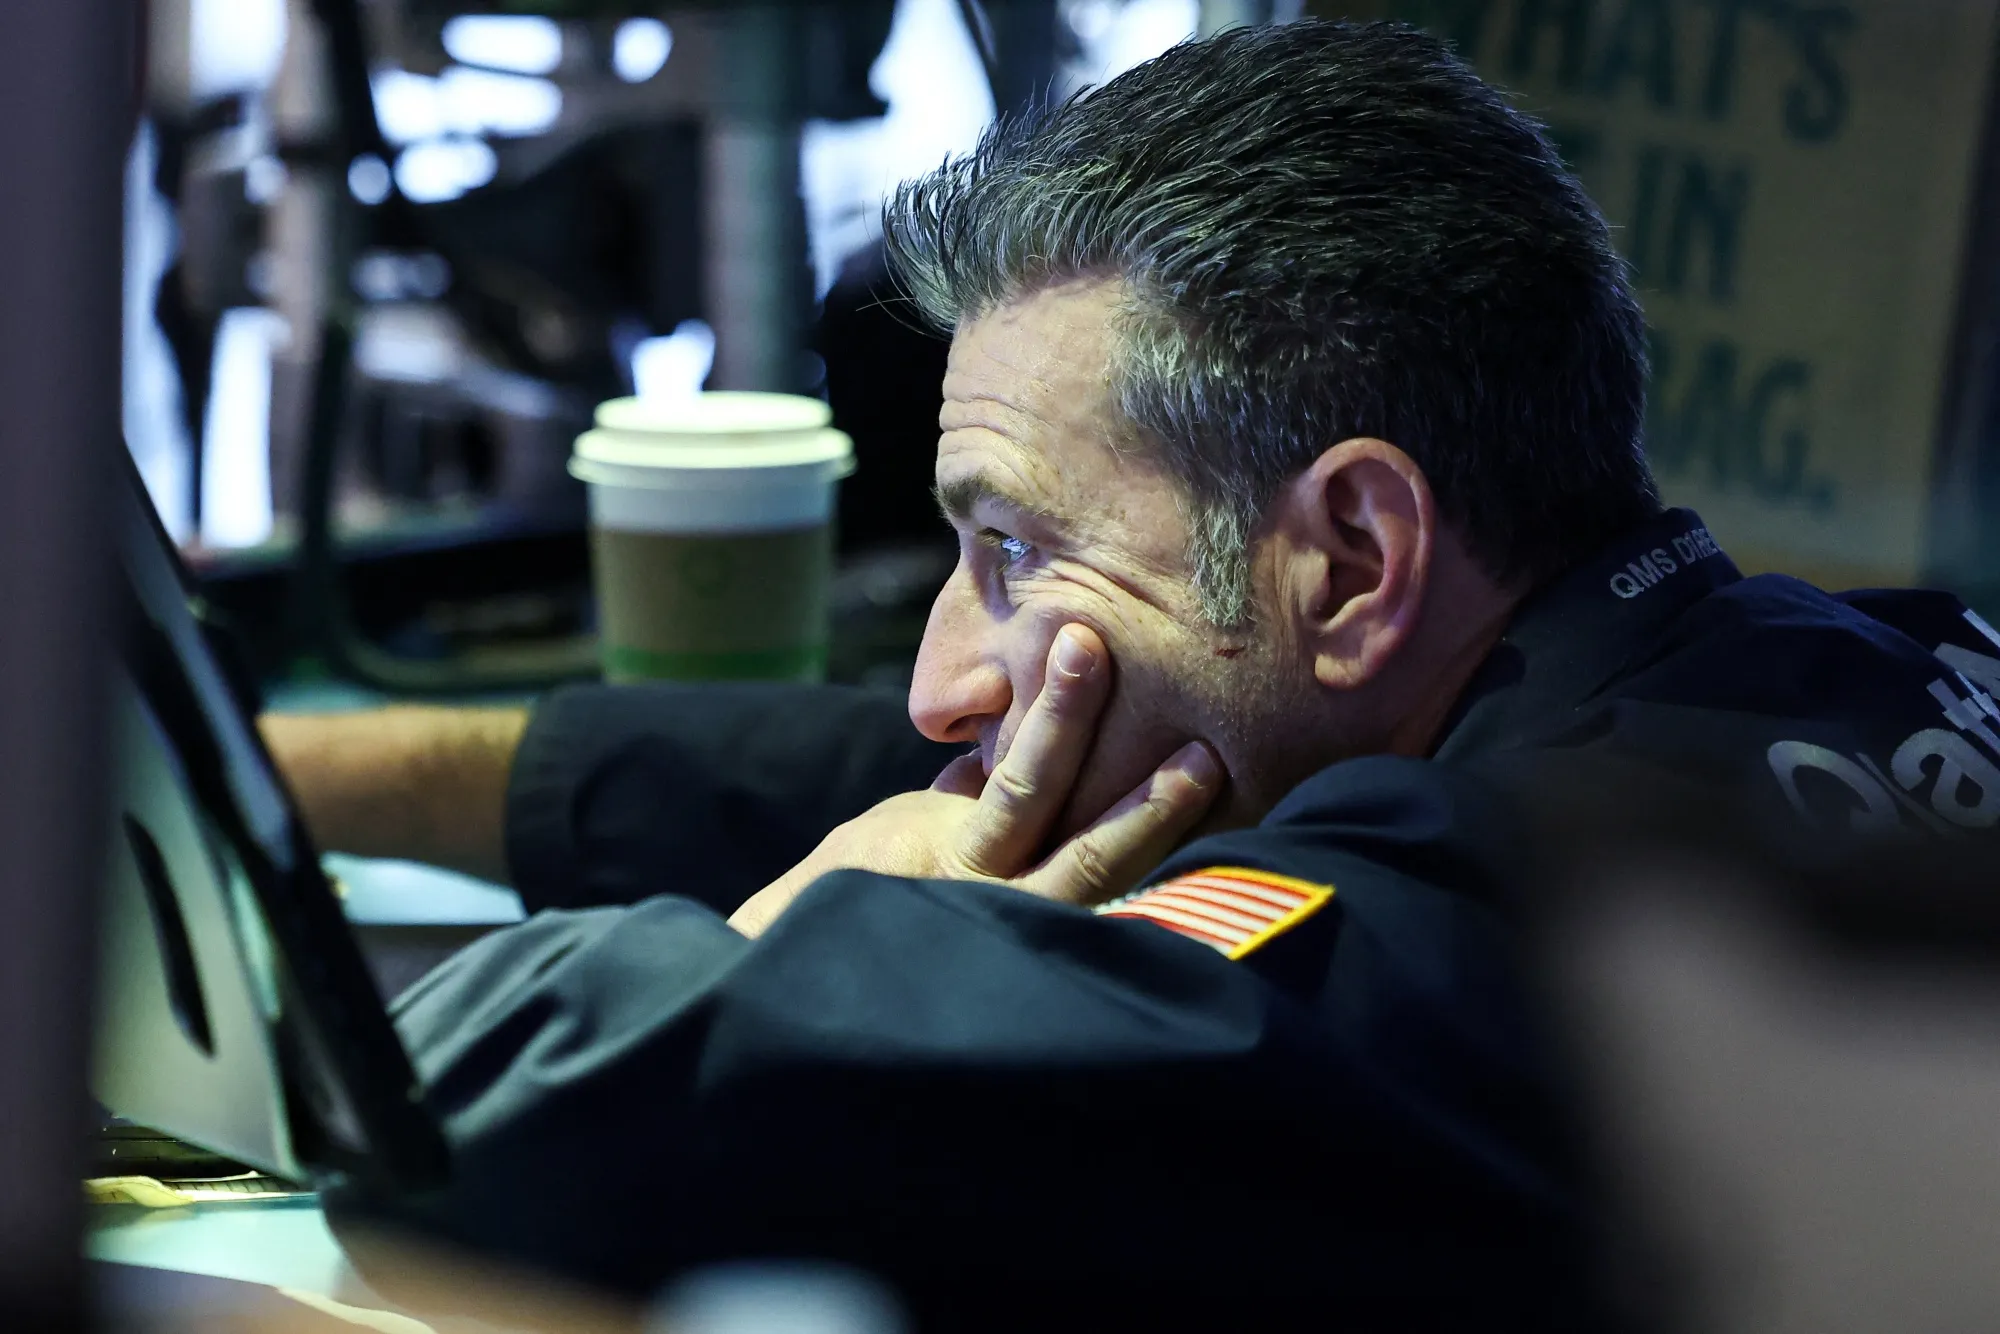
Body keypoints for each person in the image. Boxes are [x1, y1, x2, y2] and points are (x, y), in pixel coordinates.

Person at [271, 21, 2000, 1331]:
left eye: (1011, 550)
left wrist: (787, 931)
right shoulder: (1862, 655)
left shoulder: (1454, 936)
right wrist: (298, 769)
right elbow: (942, 755)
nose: (949, 678)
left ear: (1355, 558)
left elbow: (438, 1114)